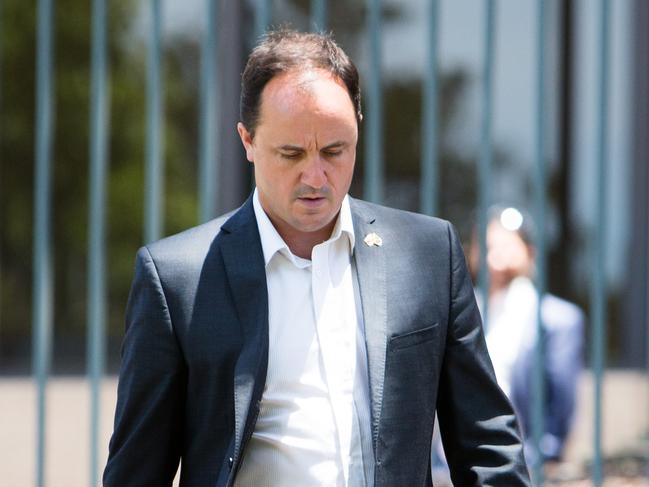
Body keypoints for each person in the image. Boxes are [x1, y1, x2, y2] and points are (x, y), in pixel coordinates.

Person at [104, 30, 530, 486]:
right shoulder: (177, 279)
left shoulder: (428, 254)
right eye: (291, 153)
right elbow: (137, 471)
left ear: (358, 130)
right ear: (247, 141)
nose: (315, 176)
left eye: (334, 151)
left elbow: (487, 446)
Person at [470, 207, 584, 463]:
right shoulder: (461, 310)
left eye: (506, 246)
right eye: (487, 247)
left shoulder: (557, 319)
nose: (495, 258)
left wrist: (539, 459)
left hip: (523, 464)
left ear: (530, 252)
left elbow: (561, 406)